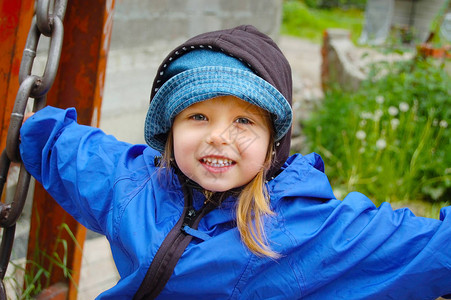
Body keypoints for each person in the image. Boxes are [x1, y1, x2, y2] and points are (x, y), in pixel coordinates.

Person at [20, 25, 451, 299]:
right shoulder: (135, 182)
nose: (218, 136)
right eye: (198, 116)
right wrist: (25, 126)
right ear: (170, 131)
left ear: (272, 145)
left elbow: (422, 248)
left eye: (244, 120)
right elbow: (72, 151)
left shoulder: (296, 226)